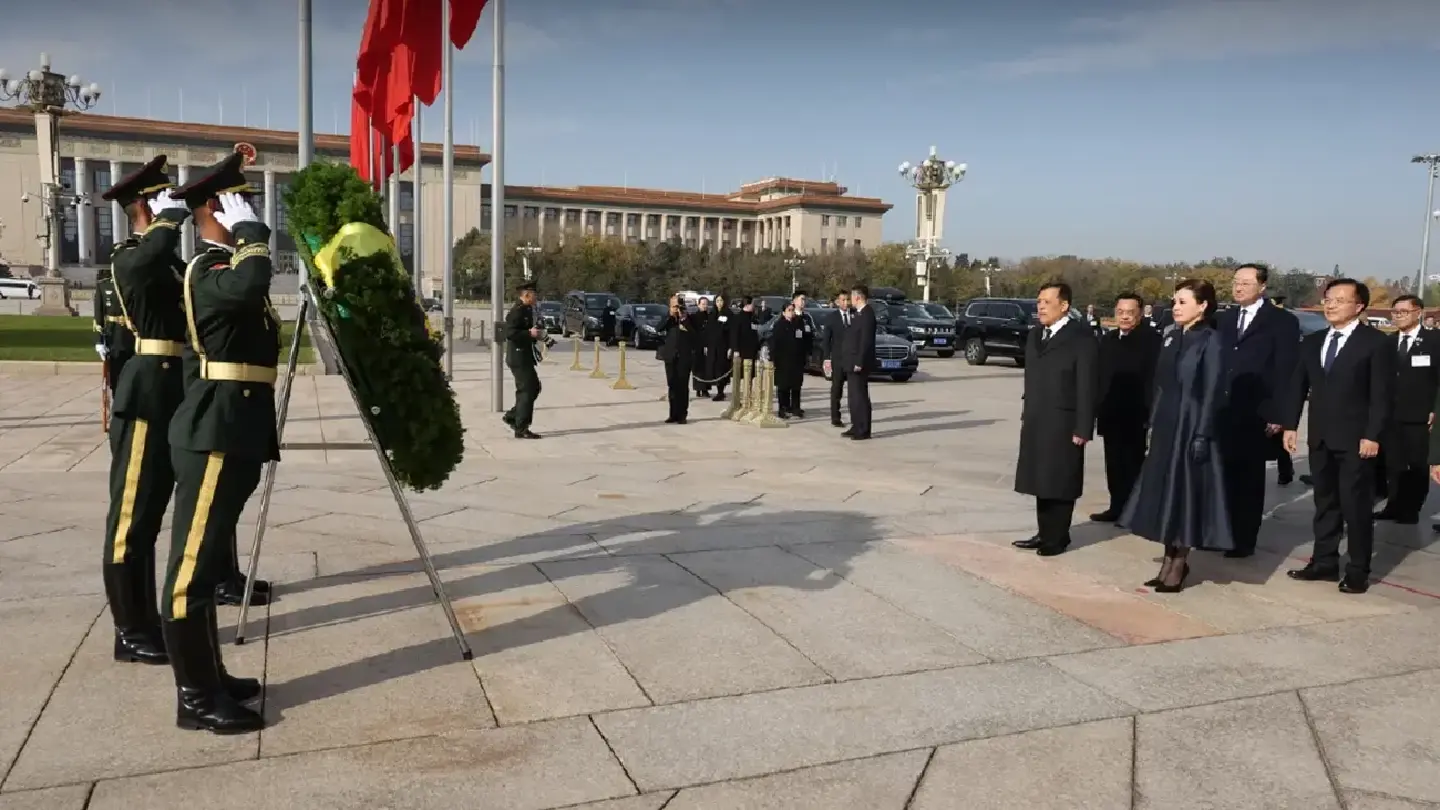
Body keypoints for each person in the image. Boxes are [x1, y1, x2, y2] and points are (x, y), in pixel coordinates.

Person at [163, 152, 277, 733]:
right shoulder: (206, 269)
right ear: (217, 206)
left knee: (206, 568)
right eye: (241, 200)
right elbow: (255, 277)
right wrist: (251, 234)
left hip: (233, 429)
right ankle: (196, 698)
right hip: (213, 433)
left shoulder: (225, 269)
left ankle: (211, 675)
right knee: (192, 570)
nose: (250, 209)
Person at [94, 155, 189, 666]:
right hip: (144, 393)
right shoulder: (130, 256)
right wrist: (168, 221)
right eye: (165, 200)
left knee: (150, 515)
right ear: (149, 207)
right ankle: (129, 629)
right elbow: (144, 264)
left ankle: (146, 620)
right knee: (130, 516)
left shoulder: (166, 260)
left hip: (171, 390)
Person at [1282, 278, 1394, 595]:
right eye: (1328, 299)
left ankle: (1358, 570)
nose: (1330, 305)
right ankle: (1324, 562)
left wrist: (1373, 435)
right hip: (1320, 436)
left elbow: (1382, 395)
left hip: (1357, 440)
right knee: (1325, 503)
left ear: (1359, 306)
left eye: (1340, 300)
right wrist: (1291, 425)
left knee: (1356, 506)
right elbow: (1298, 385)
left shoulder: (1375, 343)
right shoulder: (1313, 341)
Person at [1119, 280, 1232, 591]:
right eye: (1175, 301)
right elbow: (1161, 385)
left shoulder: (1212, 341)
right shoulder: (1172, 337)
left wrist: (1203, 434)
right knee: (1165, 494)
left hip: (1192, 424)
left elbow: (1212, 392)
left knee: (1185, 495)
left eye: (1183, 302)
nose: (1176, 307)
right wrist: (1154, 422)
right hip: (1168, 424)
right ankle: (1168, 560)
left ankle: (1179, 564)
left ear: (1203, 305)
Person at [1215, 263, 1300, 558]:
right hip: (1223, 409)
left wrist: (1280, 415)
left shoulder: (1281, 321)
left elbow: (1286, 371)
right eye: (1236, 282)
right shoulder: (1223, 319)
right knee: (1221, 475)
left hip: (1258, 411)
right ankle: (1219, 532)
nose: (1238, 287)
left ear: (1262, 287)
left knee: (1247, 479)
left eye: (1246, 283)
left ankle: (1243, 539)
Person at [1012, 282, 1098, 557]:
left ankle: (1058, 538)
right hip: (1038, 417)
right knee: (1041, 478)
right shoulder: (1036, 335)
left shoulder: (1081, 338)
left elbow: (1087, 385)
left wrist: (1083, 426)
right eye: (1039, 301)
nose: (1041, 307)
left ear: (1064, 306)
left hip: (1065, 420)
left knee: (1060, 479)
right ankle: (1044, 532)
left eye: (1047, 302)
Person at [1091, 293, 1162, 522]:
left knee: (1133, 464)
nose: (1124, 317)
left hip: (1136, 414)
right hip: (1111, 413)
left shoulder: (1151, 340)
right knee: (1113, 463)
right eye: (1120, 312)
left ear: (1140, 313)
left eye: (1130, 313)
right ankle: (1116, 507)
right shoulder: (1109, 339)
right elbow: (1100, 376)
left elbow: (1154, 380)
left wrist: (1151, 413)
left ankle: (1135, 511)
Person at [1374, 295, 1437, 524]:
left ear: (1418, 312)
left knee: (1418, 465)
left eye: (1403, 312)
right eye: (1395, 312)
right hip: (1391, 415)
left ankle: (1411, 510)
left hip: (1421, 415)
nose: (1398, 316)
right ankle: (1393, 505)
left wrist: (1436, 409)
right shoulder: (1387, 343)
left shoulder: (1434, 340)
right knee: (1393, 464)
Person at [502, 282, 544, 440]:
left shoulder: (526, 309)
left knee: (533, 387)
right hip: (518, 357)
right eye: (534, 295)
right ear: (526, 295)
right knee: (527, 390)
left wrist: (536, 334)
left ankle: (514, 416)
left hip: (525, 356)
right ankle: (521, 427)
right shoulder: (516, 311)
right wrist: (529, 333)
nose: (536, 298)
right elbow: (510, 333)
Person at [841, 285, 877, 440]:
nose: (850, 301)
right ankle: (856, 424)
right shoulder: (858, 314)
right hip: (851, 360)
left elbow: (865, 341)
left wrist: (859, 361)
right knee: (853, 396)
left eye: (852, 297)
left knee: (860, 396)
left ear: (858, 297)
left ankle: (863, 429)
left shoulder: (868, 314)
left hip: (859, 362)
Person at [93, 265, 135, 394]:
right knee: (115, 377)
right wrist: (99, 341)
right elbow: (99, 316)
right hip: (113, 336)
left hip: (133, 334)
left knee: (133, 376)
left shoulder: (134, 284)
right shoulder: (104, 286)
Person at [657, 294, 696, 424]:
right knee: (672, 385)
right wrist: (670, 315)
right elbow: (659, 328)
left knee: (682, 386)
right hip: (670, 356)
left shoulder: (688, 318)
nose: (676, 308)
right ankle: (672, 414)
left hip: (684, 356)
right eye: (673, 306)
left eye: (678, 306)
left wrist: (683, 319)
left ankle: (682, 415)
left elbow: (695, 335)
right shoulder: (668, 319)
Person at [768, 301, 810, 418]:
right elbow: (774, 344)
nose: (791, 313)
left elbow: (804, 340)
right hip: (783, 361)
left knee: (796, 385)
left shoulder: (798, 323)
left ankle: (795, 407)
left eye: (792, 310)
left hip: (796, 360)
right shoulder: (779, 325)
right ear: (783, 312)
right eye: (789, 310)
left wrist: (805, 355)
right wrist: (773, 359)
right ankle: (783, 408)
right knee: (783, 386)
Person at [823, 289, 852, 428]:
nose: (846, 303)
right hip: (838, 359)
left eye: (847, 300)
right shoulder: (832, 318)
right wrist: (826, 359)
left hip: (851, 359)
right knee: (837, 389)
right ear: (837, 302)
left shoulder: (855, 316)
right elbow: (826, 340)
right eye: (843, 300)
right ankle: (835, 417)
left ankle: (855, 416)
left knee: (853, 390)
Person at [701, 293, 732, 401]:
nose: (719, 303)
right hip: (712, 345)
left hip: (723, 346)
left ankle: (721, 392)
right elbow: (707, 331)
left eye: (721, 301)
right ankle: (716, 389)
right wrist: (705, 345)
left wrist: (730, 347)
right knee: (713, 367)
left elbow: (731, 331)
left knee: (721, 368)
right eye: (717, 301)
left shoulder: (728, 314)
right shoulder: (712, 314)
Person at [730, 296, 761, 379]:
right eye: (752, 304)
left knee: (751, 374)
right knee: (741, 373)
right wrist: (736, 349)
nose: (754, 306)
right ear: (747, 305)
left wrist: (758, 348)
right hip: (742, 350)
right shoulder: (738, 318)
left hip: (752, 350)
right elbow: (734, 335)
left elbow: (756, 334)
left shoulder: (753, 318)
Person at [691, 296, 712, 398]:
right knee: (697, 368)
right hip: (697, 346)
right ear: (698, 304)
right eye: (703, 304)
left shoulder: (710, 316)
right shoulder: (694, 317)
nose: (705, 306)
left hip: (708, 345)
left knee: (707, 368)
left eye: (706, 304)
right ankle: (698, 389)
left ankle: (705, 389)